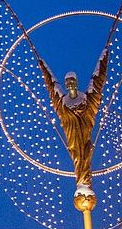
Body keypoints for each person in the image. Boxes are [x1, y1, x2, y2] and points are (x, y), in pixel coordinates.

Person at [40, 50, 108, 190]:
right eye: (67, 82)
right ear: (65, 85)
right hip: (73, 143)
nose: (70, 84)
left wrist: (105, 54)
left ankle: (84, 183)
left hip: (85, 140)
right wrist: (41, 63)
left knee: (85, 156)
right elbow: (51, 85)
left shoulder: (87, 102)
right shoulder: (62, 104)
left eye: (72, 81)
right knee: (78, 158)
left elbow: (98, 81)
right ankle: (82, 182)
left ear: (76, 82)